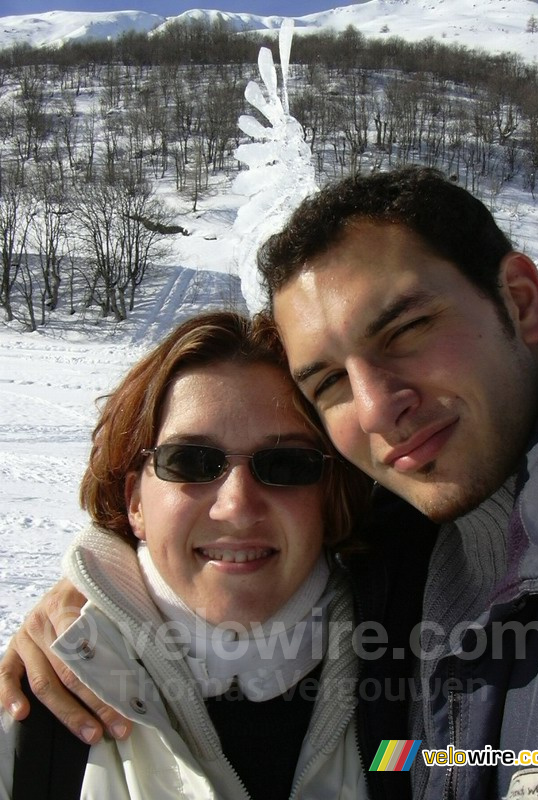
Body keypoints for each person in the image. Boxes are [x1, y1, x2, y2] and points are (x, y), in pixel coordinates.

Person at [4, 165, 538, 798]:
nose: (375, 409)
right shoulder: (399, 608)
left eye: (405, 330)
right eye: (190, 463)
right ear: (134, 501)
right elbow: (443, 763)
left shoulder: (367, 681)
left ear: (522, 300)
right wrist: (97, 599)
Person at [0, 309, 389, 799]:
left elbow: (487, 760)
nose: (238, 507)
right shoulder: (39, 712)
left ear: (330, 495)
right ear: (135, 502)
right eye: (191, 461)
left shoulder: (411, 684)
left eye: (286, 463)